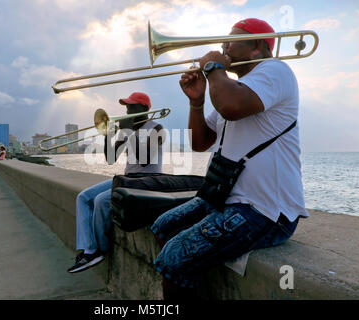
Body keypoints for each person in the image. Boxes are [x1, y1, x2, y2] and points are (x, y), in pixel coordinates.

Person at [150, 18, 309, 299]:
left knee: (174, 256)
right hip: (224, 199)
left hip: (265, 210)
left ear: (257, 46)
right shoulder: (235, 86)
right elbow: (200, 143)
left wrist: (212, 66)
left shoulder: (275, 70)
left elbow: (231, 107)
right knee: (164, 226)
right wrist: (196, 103)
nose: (223, 44)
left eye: (231, 39)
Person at [68, 92, 166, 273]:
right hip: (128, 178)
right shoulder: (128, 130)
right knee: (84, 197)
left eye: (132, 107)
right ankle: (89, 248)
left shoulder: (157, 128)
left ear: (144, 109)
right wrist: (108, 136)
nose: (127, 110)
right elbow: (111, 158)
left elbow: (145, 159)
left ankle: (101, 249)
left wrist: (130, 132)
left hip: (148, 180)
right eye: (127, 107)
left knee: (101, 201)